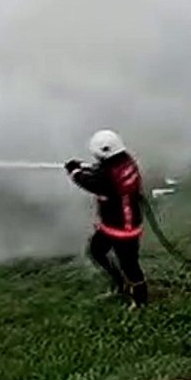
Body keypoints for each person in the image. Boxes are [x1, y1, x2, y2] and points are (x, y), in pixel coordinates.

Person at [65, 129, 149, 308]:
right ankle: (120, 284)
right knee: (96, 250)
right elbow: (103, 170)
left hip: (123, 229)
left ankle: (140, 300)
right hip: (113, 225)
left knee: (130, 265)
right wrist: (84, 166)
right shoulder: (125, 160)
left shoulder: (108, 177)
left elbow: (91, 182)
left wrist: (74, 172)